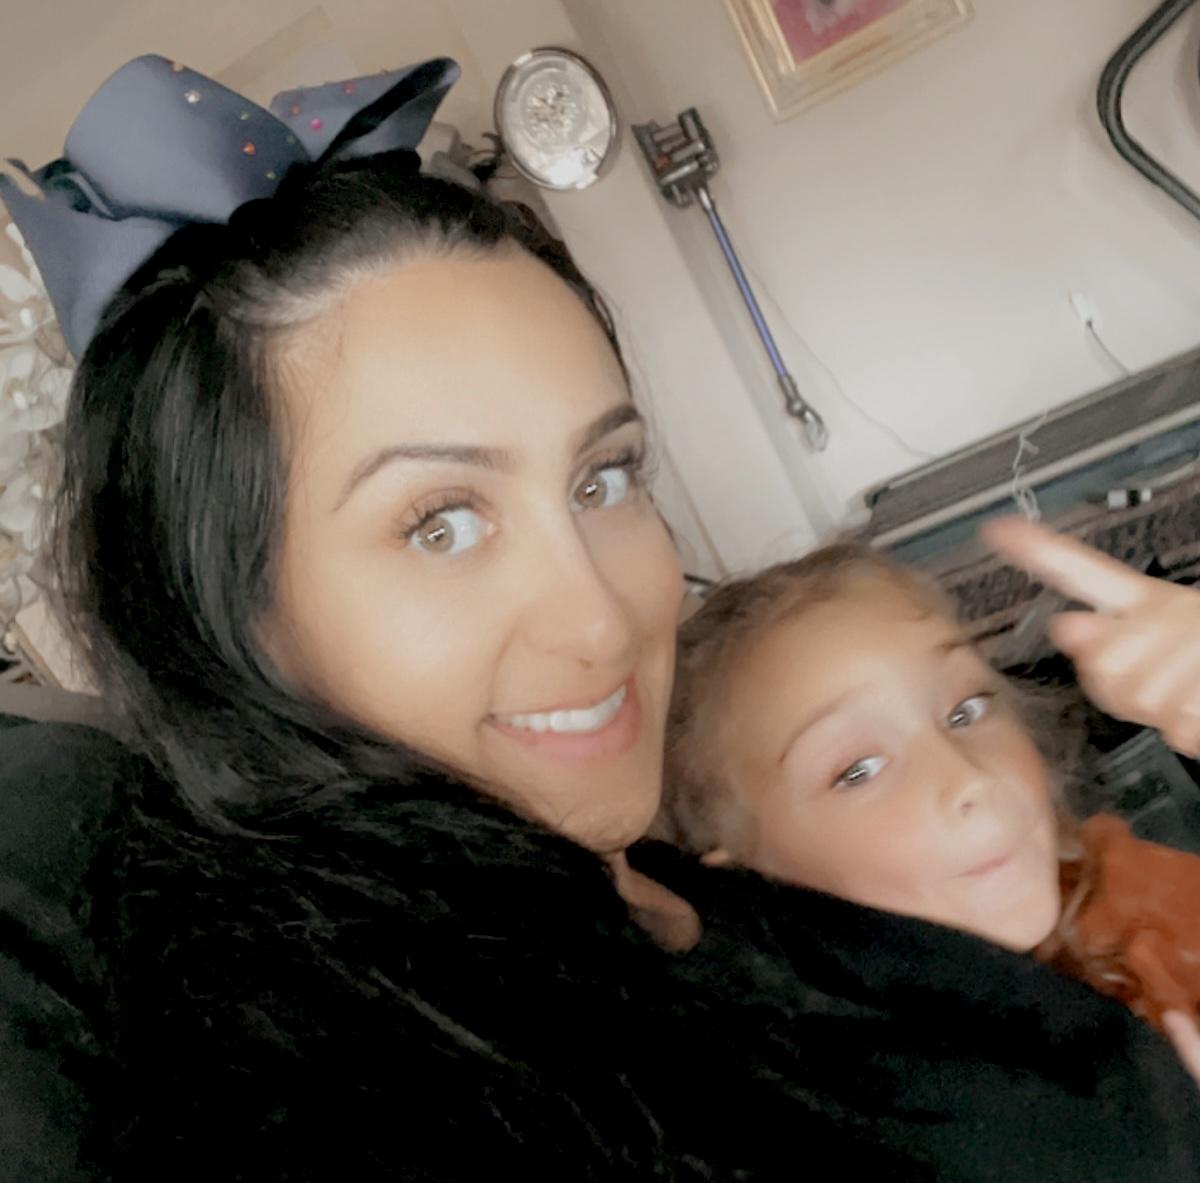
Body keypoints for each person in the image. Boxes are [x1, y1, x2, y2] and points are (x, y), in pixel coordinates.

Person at [5, 54, 1200, 1180]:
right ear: (226, 624)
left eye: (604, 478)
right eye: (440, 523)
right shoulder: (371, 1101)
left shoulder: (697, 890)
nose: (603, 619)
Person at [663, 535, 1200, 1055]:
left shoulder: (1115, 888)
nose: (971, 779)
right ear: (750, 882)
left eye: (966, 711)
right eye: (858, 771)